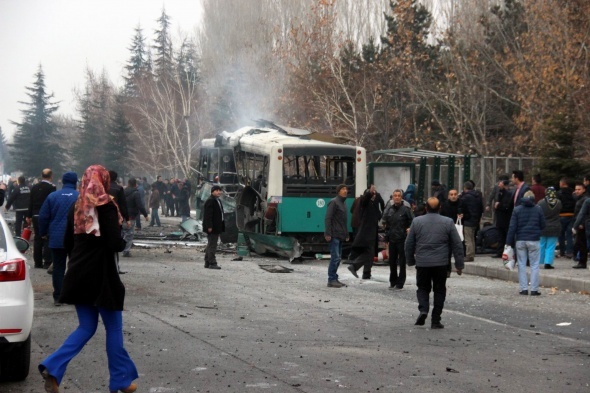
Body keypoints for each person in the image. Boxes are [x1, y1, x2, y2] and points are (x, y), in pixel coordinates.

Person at [38, 165, 137, 393]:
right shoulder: (106, 206)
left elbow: (67, 242)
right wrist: (122, 242)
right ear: (103, 181)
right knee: (113, 328)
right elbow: (114, 242)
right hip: (101, 275)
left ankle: (53, 368)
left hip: (78, 273)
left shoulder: (77, 205)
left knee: (86, 327)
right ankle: (120, 380)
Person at [405, 197, 464, 329]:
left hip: (422, 263)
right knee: (439, 290)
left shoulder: (417, 221)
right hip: (441, 263)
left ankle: (424, 309)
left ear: (426, 208)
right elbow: (457, 245)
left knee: (422, 288)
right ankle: (435, 320)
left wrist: (410, 260)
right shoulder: (448, 222)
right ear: (440, 208)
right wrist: (459, 265)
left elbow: (409, 243)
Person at [38, 172, 79, 306]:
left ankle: (58, 296)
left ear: (62, 181)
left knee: (58, 267)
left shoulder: (52, 196)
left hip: (56, 237)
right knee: (74, 266)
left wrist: (43, 232)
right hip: (75, 238)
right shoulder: (80, 197)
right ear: (75, 182)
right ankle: (73, 294)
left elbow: (43, 216)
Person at [506, 190, 546, 296]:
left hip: (521, 240)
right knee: (534, 265)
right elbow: (543, 224)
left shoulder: (517, 209)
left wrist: (508, 242)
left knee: (522, 264)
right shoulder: (538, 209)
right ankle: (534, 289)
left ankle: (523, 289)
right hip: (534, 240)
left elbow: (512, 227)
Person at [348, 185, 383, 280]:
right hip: (366, 232)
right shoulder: (364, 201)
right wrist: (370, 193)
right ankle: (355, 266)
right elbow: (365, 201)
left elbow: (378, 212)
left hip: (370, 231)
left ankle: (365, 272)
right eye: (372, 194)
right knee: (369, 253)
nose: (374, 195)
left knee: (370, 252)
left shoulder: (372, 203)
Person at [382, 189, 413, 290]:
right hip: (392, 239)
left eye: (399, 196)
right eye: (395, 196)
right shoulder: (390, 209)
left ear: (401, 197)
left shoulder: (406, 209)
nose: (397, 197)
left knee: (402, 262)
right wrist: (386, 239)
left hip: (402, 239)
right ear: (392, 197)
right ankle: (393, 281)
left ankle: (400, 282)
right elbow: (387, 225)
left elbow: (413, 221)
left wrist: (409, 229)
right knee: (392, 261)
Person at [27, 168, 56, 268]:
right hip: (47, 215)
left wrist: (28, 215)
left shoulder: (34, 187)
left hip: (35, 214)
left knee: (37, 238)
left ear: (41, 175)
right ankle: (47, 261)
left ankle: (37, 262)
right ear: (51, 176)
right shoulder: (52, 188)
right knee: (47, 237)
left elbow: (30, 202)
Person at [324, 184, 349, 288]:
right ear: (338, 191)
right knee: (335, 258)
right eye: (343, 189)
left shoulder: (343, 204)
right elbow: (328, 218)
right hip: (334, 234)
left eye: (346, 189)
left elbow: (343, 222)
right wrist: (328, 233)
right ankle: (331, 279)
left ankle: (334, 277)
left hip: (340, 234)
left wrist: (346, 234)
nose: (345, 191)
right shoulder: (334, 202)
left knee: (338, 258)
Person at [440, 189, 468, 275]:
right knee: (447, 251)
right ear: (448, 196)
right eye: (451, 194)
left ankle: (459, 267)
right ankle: (448, 270)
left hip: (458, 229)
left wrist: (463, 216)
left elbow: (469, 214)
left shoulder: (462, 203)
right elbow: (441, 216)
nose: (453, 196)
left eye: (455, 194)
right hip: (447, 230)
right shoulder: (444, 205)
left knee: (459, 250)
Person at [122, 178, 148, 258]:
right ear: (135, 184)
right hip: (131, 215)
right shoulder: (136, 193)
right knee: (129, 233)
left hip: (122, 215)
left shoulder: (122, 192)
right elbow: (140, 205)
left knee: (123, 232)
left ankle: (120, 247)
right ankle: (126, 251)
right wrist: (145, 214)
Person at [538, 187, 562, 269]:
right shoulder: (558, 202)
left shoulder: (540, 203)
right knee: (551, 246)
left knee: (541, 245)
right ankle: (548, 263)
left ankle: (540, 261)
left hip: (543, 226)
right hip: (555, 226)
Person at [202, 185, 225, 269]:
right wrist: (209, 226)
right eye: (217, 190)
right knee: (213, 245)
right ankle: (212, 263)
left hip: (216, 226)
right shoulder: (210, 201)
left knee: (210, 244)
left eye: (220, 190)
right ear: (212, 191)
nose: (219, 192)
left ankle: (207, 261)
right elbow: (208, 215)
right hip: (212, 227)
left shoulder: (217, 200)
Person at [460, 181, 483, 262]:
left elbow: (462, 206)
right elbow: (481, 208)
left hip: (468, 220)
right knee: (472, 238)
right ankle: (472, 253)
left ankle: (469, 255)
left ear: (465, 188)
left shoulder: (465, 197)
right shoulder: (478, 196)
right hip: (476, 219)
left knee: (468, 239)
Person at [493, 177, 513, 257]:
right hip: (500, 219)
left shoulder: (508, 194)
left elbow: (507, 206)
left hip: (505, 219)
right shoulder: (500, 193)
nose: (499, 185)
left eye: (500, 184)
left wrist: (499, 205)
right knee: (500, 236)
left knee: (505, 236)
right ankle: (500, 251)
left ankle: (505, 252)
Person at [557, 178, 575, 258]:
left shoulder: (559, 193)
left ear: (562, 183)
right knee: (569, 234)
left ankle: (562, 251)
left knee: (561, 234)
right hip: (572, 215)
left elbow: (557, 204)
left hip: (562, 215)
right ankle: (569, 252)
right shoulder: (573, 193)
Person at [571, 183, 588, 268]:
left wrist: (581, 223)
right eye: (576, 189)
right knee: (579, 243)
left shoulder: (585, 200)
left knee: (581, 243)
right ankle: (581, 261)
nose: (577, 191)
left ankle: (582, 262)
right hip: (578, 223)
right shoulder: (579, 199)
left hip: (582, 225)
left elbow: (584, 213)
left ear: (584, 190)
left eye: (579, 189)